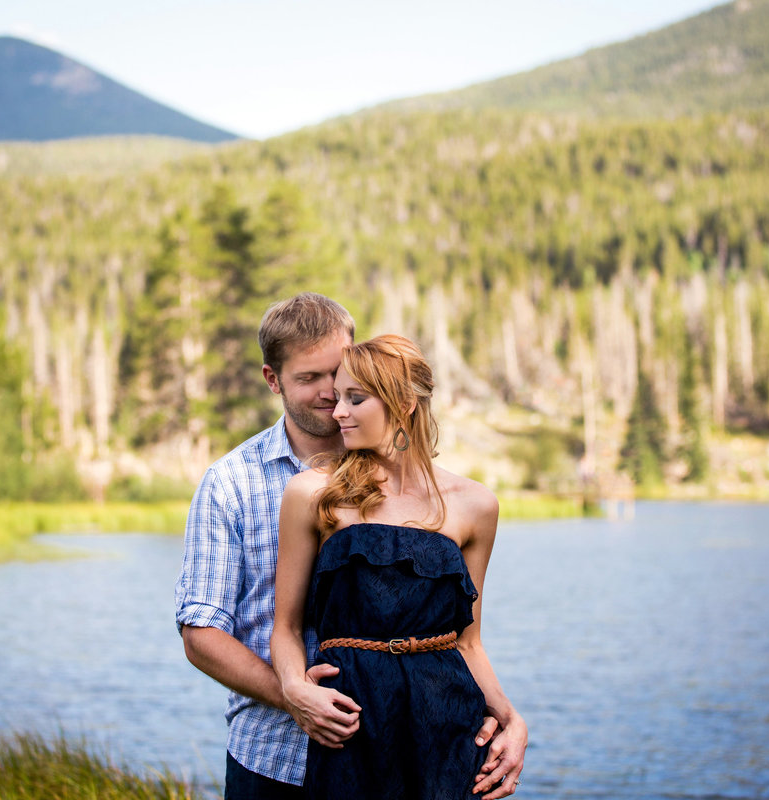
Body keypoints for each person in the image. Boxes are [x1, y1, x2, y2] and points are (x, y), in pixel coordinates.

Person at [271, 334, 528, 800]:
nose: (338, 412)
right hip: (352, 719)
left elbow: (468, 643)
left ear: (405, 403)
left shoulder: (476, 506)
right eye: (338, 398)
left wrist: (512, 719)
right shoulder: (312, 493)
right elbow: (285, 628)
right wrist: (294, 686)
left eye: (356, 398)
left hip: (447, 718)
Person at [175, 292, 359, 798]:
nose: (330, 392)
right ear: (272, 380)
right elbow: (201, 633)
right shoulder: (229, 483)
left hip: (390, 759)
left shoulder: (394, 472)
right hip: (273, 761)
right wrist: (295, 697)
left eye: (337, 371)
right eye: (308, 378)